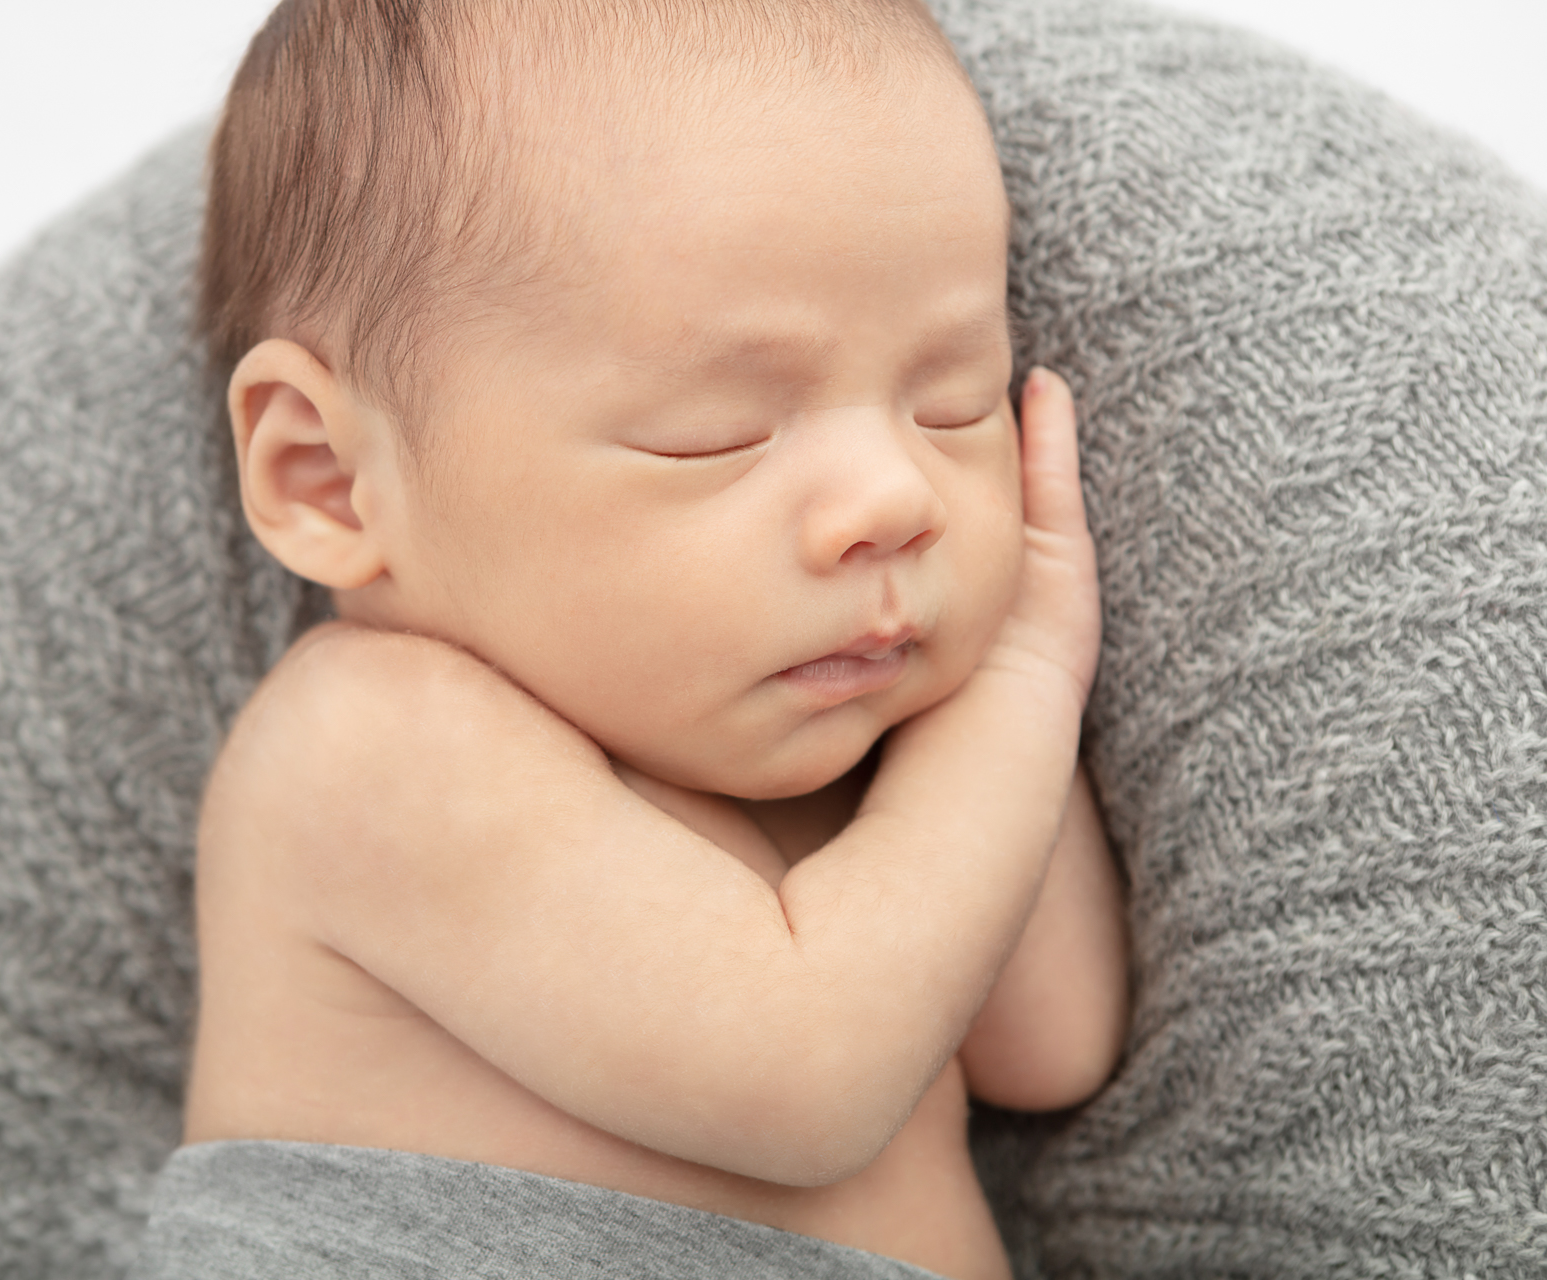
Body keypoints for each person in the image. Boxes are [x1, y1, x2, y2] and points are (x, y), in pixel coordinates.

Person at [162, 1, 1126, 1276]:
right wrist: (1022, 673)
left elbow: (1053, 1040)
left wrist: (977, 686)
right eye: (716, 433)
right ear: (332, 479)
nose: (897, 498)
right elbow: (812, 1076)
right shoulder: (366, 750)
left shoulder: (849, 775)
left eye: (953, 404)